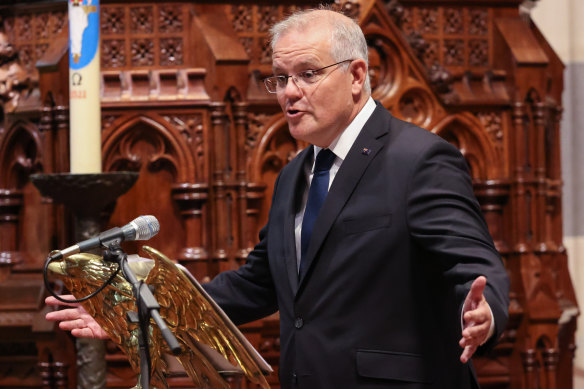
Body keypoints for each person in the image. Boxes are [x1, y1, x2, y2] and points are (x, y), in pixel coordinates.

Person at [46, 7, 509, 388]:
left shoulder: (420, 160)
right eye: (280, 78)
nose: (289, 92)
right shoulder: (295, 174)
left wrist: (486, 313)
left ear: (356, 75)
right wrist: (133, 310)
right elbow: (257, 285)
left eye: (307, 74)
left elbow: (475, 266)